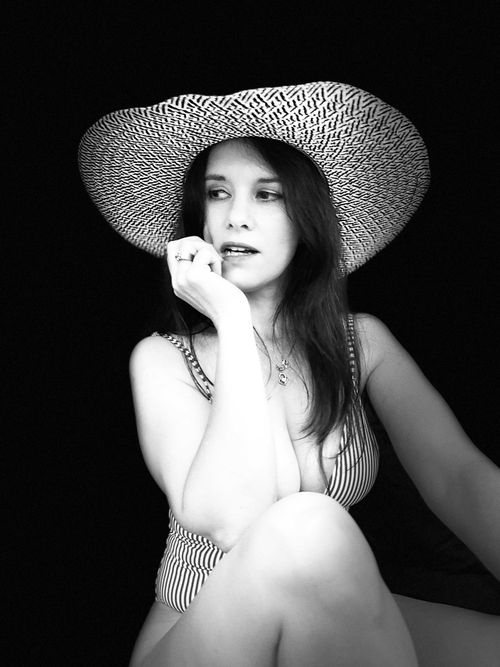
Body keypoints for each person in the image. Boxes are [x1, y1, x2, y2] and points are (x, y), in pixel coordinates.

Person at [79, 82, 500, 666]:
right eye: (217, 193)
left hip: (338, 614)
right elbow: (235, 521)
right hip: (206, 636)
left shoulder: (361, 343)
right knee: (306, 523)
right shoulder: (162, 358)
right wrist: (229, 317)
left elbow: (458, 478)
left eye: (268, 195)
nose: (236, 217)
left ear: (306, 217)